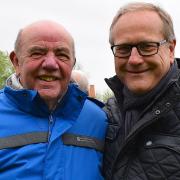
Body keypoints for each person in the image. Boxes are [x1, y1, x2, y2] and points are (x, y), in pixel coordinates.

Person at [0, 20, 107, 179]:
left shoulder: (99, 120)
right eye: (37, 52)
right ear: (16, 61)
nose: (51, 64)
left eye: (62, 55)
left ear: (72, 64)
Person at [103, 2, 180, 180]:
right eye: (123, 49)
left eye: (147, 46)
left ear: (170, 49)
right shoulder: (106, 116)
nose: (134, 59)